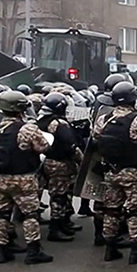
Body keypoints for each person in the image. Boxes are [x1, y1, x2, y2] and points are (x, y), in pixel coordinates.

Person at [93, 81, 137, 264]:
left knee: (111, 211)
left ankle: (110, 249)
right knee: (134, 212)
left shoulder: (104, 119)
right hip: (134, 173)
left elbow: (97, 138)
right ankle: (136, 251)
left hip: (111, 172)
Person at [0, 90, 54, 264]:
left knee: (1, 214)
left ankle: (2, 251)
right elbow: (43, 147)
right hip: (22, 179)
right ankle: (33, 252)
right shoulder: (26, 128)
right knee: (30, 215)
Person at [37, 92, 84, 243]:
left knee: (59, 194)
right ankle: (55, 229)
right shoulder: (60, 124)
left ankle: (62, 224)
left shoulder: (40, 120)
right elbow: (70, 146)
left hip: (47, 162)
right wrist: (82, 160)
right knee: (59, 197)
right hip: (60, 164)